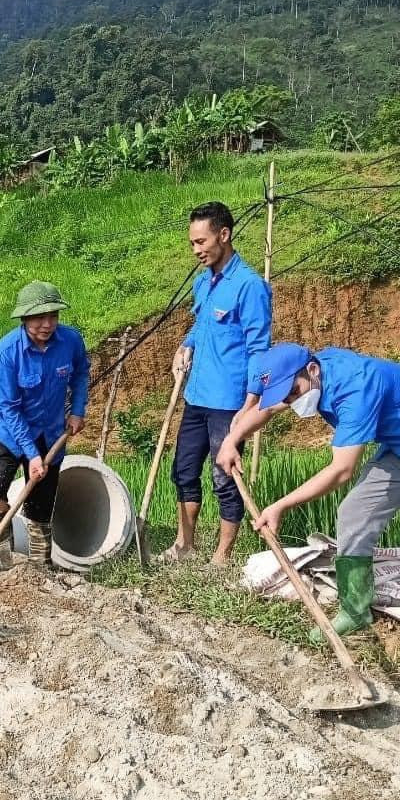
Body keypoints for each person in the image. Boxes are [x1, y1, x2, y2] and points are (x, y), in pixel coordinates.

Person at [215, 342, 400, 701]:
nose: (292, 401)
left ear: (312, 370)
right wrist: (232, 440)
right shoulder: (305, 378)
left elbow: (342, 470)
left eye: (294, 391)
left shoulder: (356, 386)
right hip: (399, 447)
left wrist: (280, 505)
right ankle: (355, 609)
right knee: (353, 515)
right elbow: (266, 411)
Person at [165, 201, 272, 566]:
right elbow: (201, 325)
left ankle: (222, 555)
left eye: (201, 242)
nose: (196, 250)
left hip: (230, 401)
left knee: (224, 476)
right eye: (192, 243)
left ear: (223, 235)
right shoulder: (203, 283)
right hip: (197, 394)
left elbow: (259, 347)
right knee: (183, 470)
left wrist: (252, 401)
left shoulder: (250, 286)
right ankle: (185, 544)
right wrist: (186, 345)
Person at [0, 281, 90, 567]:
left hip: (50, 432)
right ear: (24, 317)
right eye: (40, 317)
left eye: (53, 315)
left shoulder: (70, 341)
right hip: (9, 432)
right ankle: (1, 565)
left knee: (41, 507)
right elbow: (9, 408)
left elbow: (81, 374)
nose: (48, 324)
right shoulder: (6, 353)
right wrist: (31, 455)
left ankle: (40, 568)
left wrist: (77, 411)